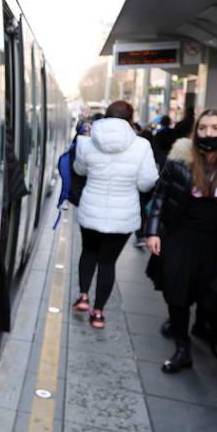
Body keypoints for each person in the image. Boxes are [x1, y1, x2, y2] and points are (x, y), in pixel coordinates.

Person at [146, 109, 217, 373]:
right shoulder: (179, 162)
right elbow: (160, 198)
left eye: (215, 128)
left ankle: (210, 329)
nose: (208, 133)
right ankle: (182, 347)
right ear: (195, 131)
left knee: (212, 296)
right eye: (203, 128)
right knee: (177, 295)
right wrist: (152, 231)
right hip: (181, 238)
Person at [70, 100, 158, 329]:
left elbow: (79, 170)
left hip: (91, 209)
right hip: (124, 216)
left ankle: (83, 296)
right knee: (107, 263)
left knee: (88, 252)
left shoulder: (86, 143)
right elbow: (147, 183)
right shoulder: (142, 145)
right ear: (131, 120)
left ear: (107, 116)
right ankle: (98, 313)